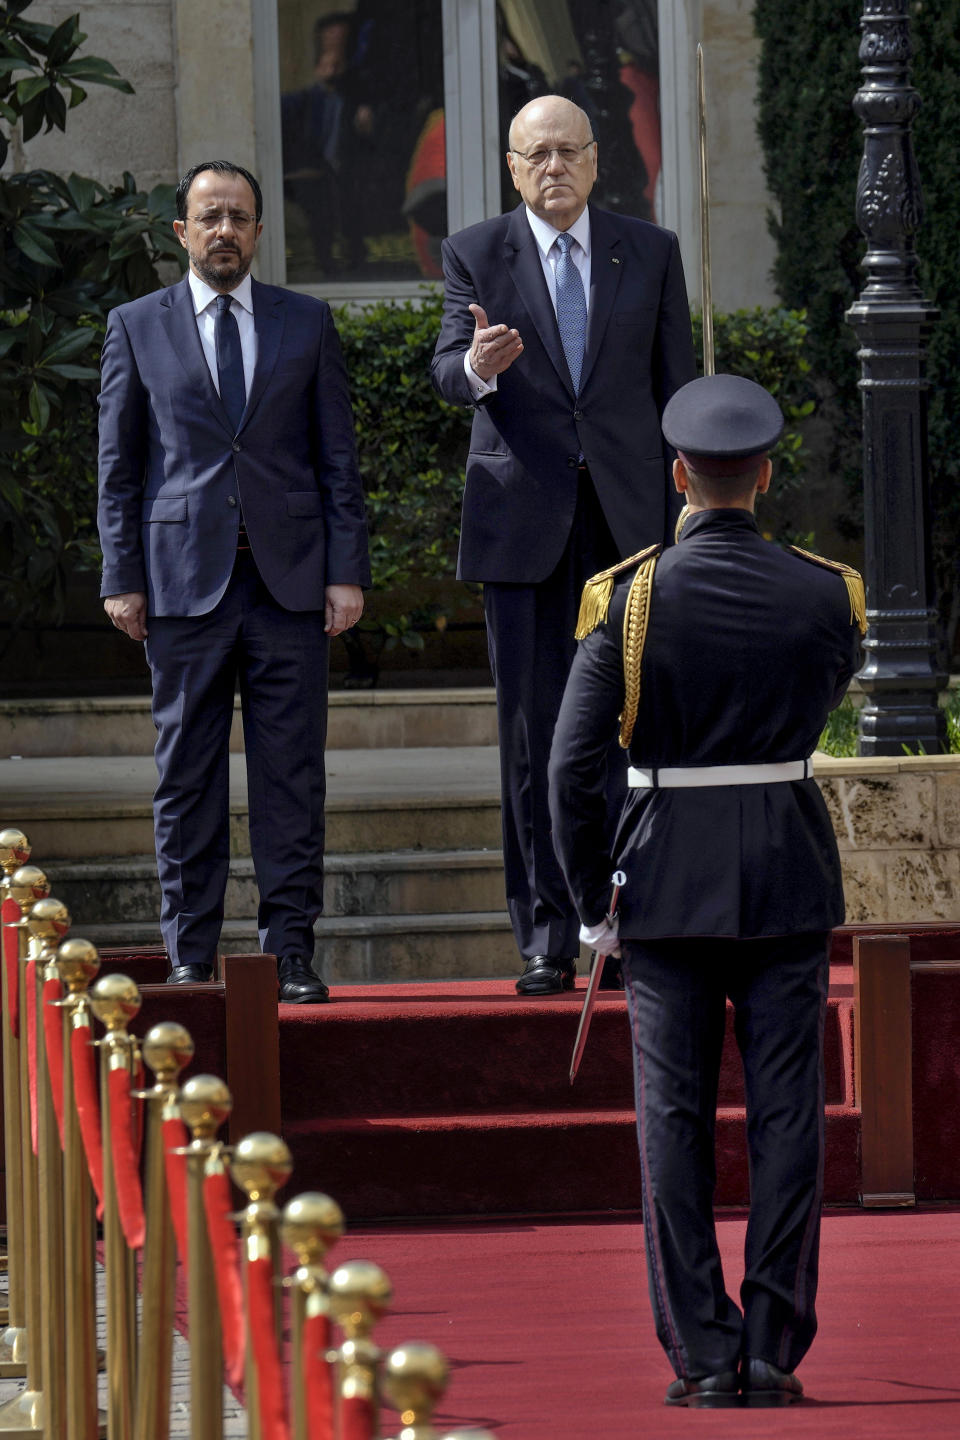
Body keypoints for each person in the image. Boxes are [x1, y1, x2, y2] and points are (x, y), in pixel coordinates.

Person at [548, 373, 865, 1406]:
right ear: (764, 477)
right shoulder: (829, 592)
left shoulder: (631, 597)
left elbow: (568, 769)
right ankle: (774, 1344)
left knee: (672, 1125)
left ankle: (702, 1355)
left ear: (679, 474)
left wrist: (592, 898)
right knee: (788, 1120)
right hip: (783, 871)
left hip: (667, 879)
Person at [431, 94, 695, 996]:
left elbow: (678, 390)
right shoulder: (475, 251)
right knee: (533, 740)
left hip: (629, 528)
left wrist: (688, 515)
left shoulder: (650, 251)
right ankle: (546, 935)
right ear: (511, 168)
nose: (552, 168)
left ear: (594, 161)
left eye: (567, 152)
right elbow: (443, 369)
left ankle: (630, 926)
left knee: (636, 732)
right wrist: (476, 369)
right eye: (534, 155)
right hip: (525, 529)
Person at [97, 160, 370, 1003]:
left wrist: (345, 572)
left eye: (239, 217)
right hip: (182, 586)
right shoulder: (136, 325)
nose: (224, 230)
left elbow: (336, 461)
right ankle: (190, 951)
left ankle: (291, 952)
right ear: (180, 231)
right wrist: (122, 576)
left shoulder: (306, 321)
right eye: (208, 216)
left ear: (258, 231)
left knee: (293, 776)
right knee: (187, 774)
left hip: (290, 587)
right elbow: (120, 466)